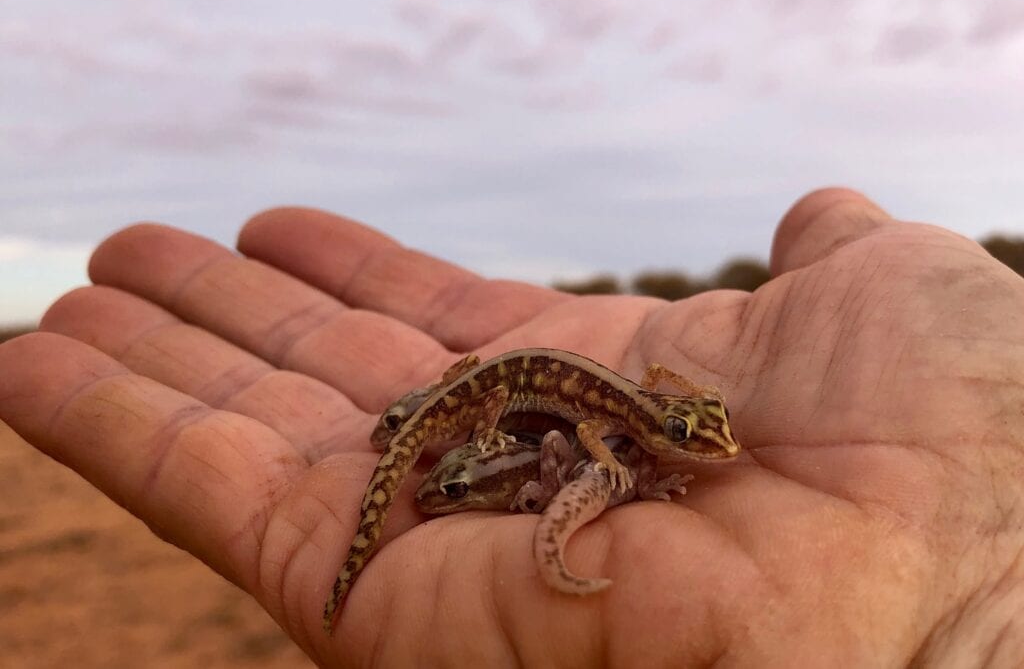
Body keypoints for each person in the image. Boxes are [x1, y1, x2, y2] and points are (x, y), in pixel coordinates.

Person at [0, 188, 1021, 667]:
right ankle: (394, 487)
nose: (714, 447)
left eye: (705, 434)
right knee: (445, 451)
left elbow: (649, 415)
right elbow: (612, 452)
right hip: (483, 397)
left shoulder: (644, 409)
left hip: (507, 388)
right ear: (663, 429)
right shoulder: (622, 430)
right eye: (695, 438)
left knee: (454, 442)